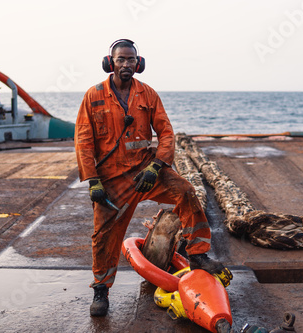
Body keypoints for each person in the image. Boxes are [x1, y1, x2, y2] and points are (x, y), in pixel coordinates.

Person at [75, 39, 229, 317]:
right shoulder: (93, 96)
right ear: (110, 63)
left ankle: (197, 255)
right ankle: (101, 288)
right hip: (112, 180)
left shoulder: (148, 95)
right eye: (120, 59)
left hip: (146, 171)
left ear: (139, 63)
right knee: (103, 237)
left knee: (185, 191)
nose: (126, 65)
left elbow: (166, 133)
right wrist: (93, 179)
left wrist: (157, 166)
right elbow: (83, 141)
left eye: (131, 60)